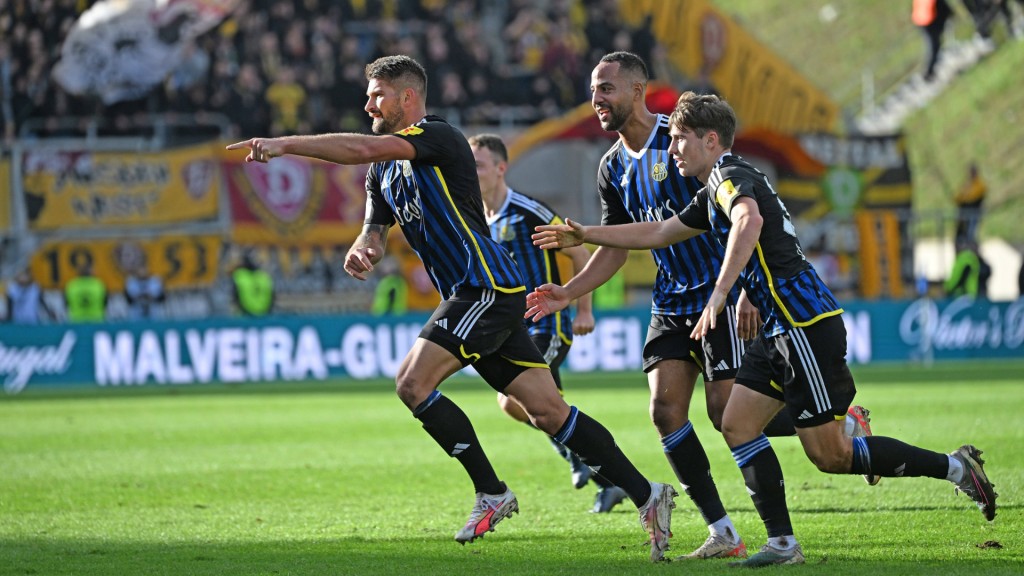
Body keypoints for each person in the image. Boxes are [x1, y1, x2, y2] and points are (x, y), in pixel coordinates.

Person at [226, 55, 678, 562]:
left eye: (377, 95)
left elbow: (357, 147)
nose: (368, 103)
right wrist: (365, 247)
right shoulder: (385, 170)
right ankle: (648, 494)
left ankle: (491, 491)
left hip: (484, 287)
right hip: (480, 294)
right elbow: (375, 227)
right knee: (550, 412)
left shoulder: (438, 136)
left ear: (407, 99)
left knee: (412, 383)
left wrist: (285, 144)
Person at [530, 91, 998, 567]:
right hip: (777, 328)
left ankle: (957, 468)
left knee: (831, 456)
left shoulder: (731, 178)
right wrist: (586, 234)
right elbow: (658, 232)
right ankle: (781, 543)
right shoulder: (712, 187)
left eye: (679, 140)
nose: (672, 150)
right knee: (735, 422)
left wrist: (720, 291)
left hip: (802, 324)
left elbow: (748, 221)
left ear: (710, 140)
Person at [523, 51, 873, 559]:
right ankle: (722, 531)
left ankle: (837, 427)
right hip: (671, 298)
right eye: (593, 90)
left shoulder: (683, 139)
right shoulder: (611, 168)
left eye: (606, 89)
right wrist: (572, 290)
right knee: (665, 410)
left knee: (723, 413)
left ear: (638, 91)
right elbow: (622, 243)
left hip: (719, 295)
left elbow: (747, 212)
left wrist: (748, 287)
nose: (596, 100)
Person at [468, 133, 613, 503]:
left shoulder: (528, 211)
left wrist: (583, 309)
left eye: (479, 164)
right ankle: (609, 482)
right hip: (515, 330)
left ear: (501, 169)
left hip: (548, 325)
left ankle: (578, 458)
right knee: (549, 409)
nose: (472, 170)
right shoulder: (481, 219)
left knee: (513, 398)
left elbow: (580, 254)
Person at [912, 0, 953, 82]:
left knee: (934, 46)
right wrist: (950, 13)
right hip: (927, 19)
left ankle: (929, 71)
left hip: (921, 18)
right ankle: (928, 73)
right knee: (934, 46)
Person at [953, 162, 986, 246]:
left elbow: (973, 197)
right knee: (963, 234)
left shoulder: (980, 184)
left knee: (971, 234)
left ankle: (971, 247)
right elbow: (958, 197)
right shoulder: (967, 185)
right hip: (964, 214)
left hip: (973, 213)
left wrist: (966, 193)